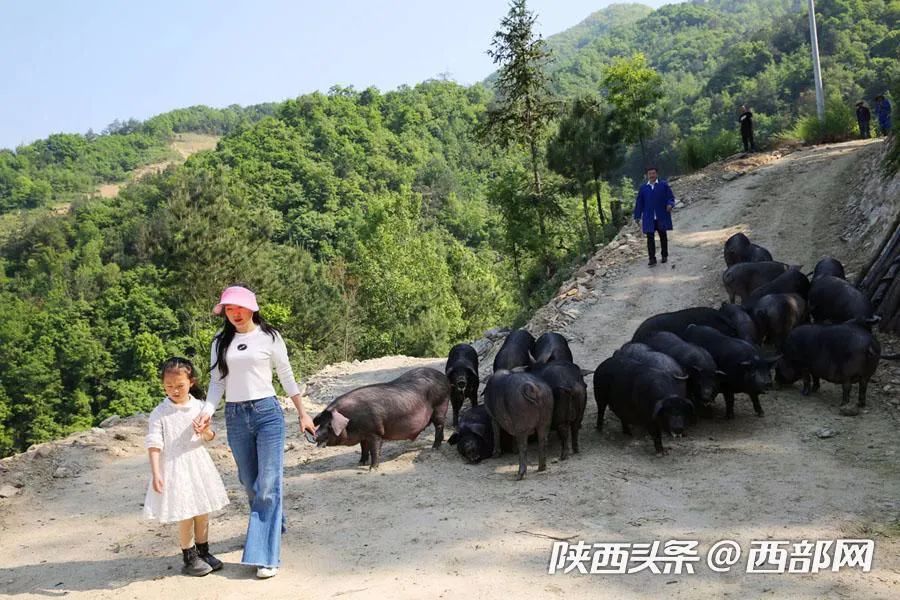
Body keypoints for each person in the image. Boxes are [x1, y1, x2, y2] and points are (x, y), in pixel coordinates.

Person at [195, 285, 316, 579]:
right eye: (229, 309)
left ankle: (265, 555)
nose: (234, 314)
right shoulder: (220, 342)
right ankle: (276, 522)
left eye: (239, 308)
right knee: (250, 482)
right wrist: (207, 412)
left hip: (267, 414)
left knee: (268, 484)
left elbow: (286, 375)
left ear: (252, 308)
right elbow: (217, 384)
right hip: (235, 416)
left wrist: (302, 412)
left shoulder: (270, 337)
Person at [144, 357, 229, 577]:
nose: (174, 390)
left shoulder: (200, 407)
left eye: (180, 385)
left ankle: (204, 550)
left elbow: (210, 437)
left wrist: (205, 431)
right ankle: (189, 556)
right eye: (169, 386)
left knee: (202, 510)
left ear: (191, 382)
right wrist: (156, 473)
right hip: (174, 467)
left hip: (198, 465)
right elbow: (154, 444)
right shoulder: (160, 413)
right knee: (186, 512)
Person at [633, 166, 675, 267]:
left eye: (653, 173)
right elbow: (639, 203)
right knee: (650, 238)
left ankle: (664, 255)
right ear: (647, 175)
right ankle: (652, 258)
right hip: (649, 218)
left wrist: (670, 204)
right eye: (650, 174)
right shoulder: (643, 188)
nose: (652, 175)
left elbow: (671, 197)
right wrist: (637, 216)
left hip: (661, 216)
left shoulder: (663, 185)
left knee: (663, 236)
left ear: (657, 174)